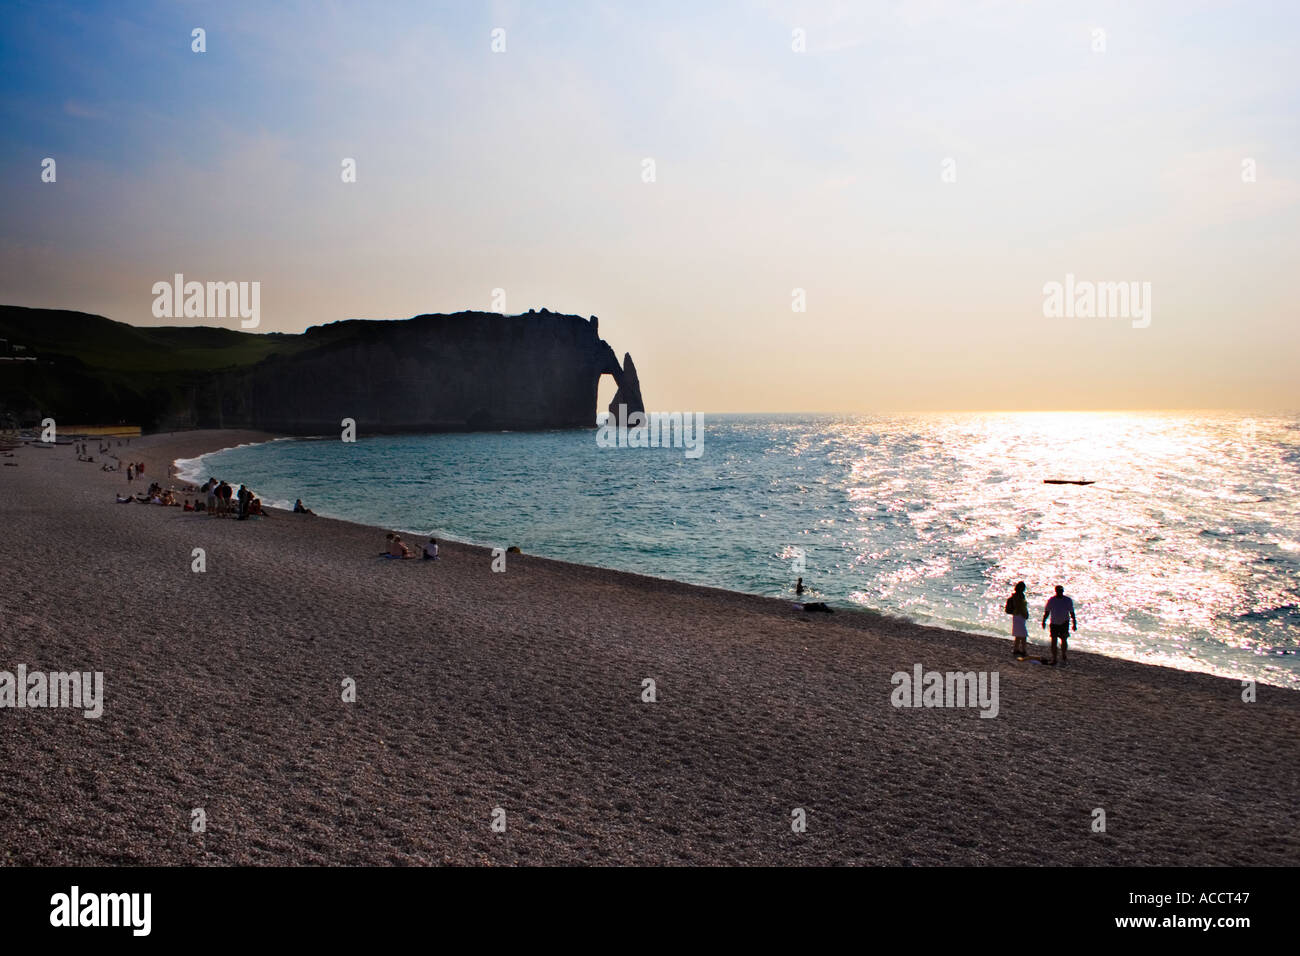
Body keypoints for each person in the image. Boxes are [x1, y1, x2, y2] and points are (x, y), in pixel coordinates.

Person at [1041, 585, 1078, 665]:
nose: (1060, 592)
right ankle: (1054, 658)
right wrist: (1044, 621)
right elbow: (1047, 611)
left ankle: (1064, 654)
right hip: (1054, 623)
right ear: (1056, 591)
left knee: (1064, 639)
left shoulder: (1067, 600)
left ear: (1063, 591)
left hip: (1064, 622)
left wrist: (1074, 623)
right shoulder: (1052, 600)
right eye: (1058, 591)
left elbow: (1072, 612)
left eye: (1061, 591)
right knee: (1054, 640)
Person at [1005, 581, 1030, 655]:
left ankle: (1016, 649)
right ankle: (1023, 650)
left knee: (1019, 634)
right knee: (1023, 634)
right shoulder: (1018, 596)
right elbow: (1019, 606)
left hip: (1018, 615)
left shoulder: (1019, 595)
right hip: (1019, 615)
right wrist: (1024, 614)